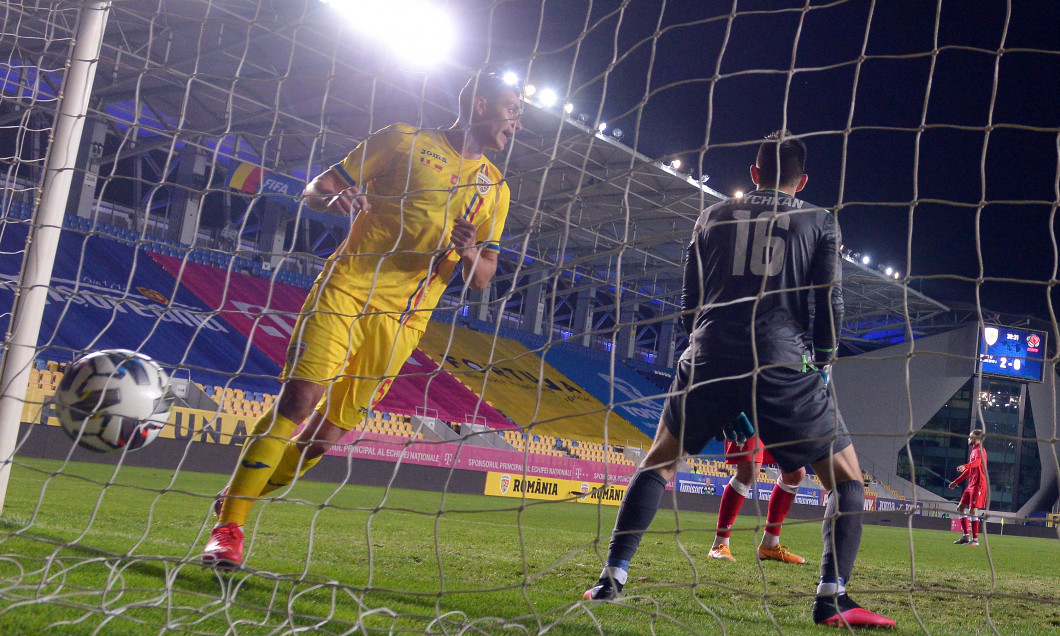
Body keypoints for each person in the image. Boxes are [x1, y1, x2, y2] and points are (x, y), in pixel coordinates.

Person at [201, 73, 523, 568]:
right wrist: (335, 198)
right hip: (349, 287)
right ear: (480, 105)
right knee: (301, 397)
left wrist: (469, 249)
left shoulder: (495, 191)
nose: (515, 123)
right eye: (511, 109)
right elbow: (316, 188)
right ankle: (231, 528)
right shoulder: (403, 140)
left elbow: (483, 278)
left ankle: (236, 498)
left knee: (324, 438)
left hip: (405, 319)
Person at [582, 131, 895, 629]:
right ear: (803, 180)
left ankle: (611, 578)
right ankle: (831, 599)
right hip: (782, 360)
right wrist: (826, 358)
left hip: (710, 353)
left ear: (753, 174)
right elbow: (828, 302)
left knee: (658, 464)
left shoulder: (711, 216)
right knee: (848, 482)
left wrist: (704, 345)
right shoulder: (818, 220)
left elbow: (688, 300)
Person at [707, 414, 808, 565]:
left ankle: (770, 545)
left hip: (781, 409)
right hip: (750, 407)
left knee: (795, 473)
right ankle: (719, 545)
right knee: (748, 471)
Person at [949, 429, 988, 546]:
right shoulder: (973, 451)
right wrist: (956, 481)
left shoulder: (980, 450)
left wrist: (965, 466)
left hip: (978, 485)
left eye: (970, 437)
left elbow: (976, 463)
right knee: (960, 508)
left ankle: (975, 540)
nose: (968, 439)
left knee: (972, 510)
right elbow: (970, 470)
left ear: (976, 439)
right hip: (971, 485)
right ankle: (966, 536)